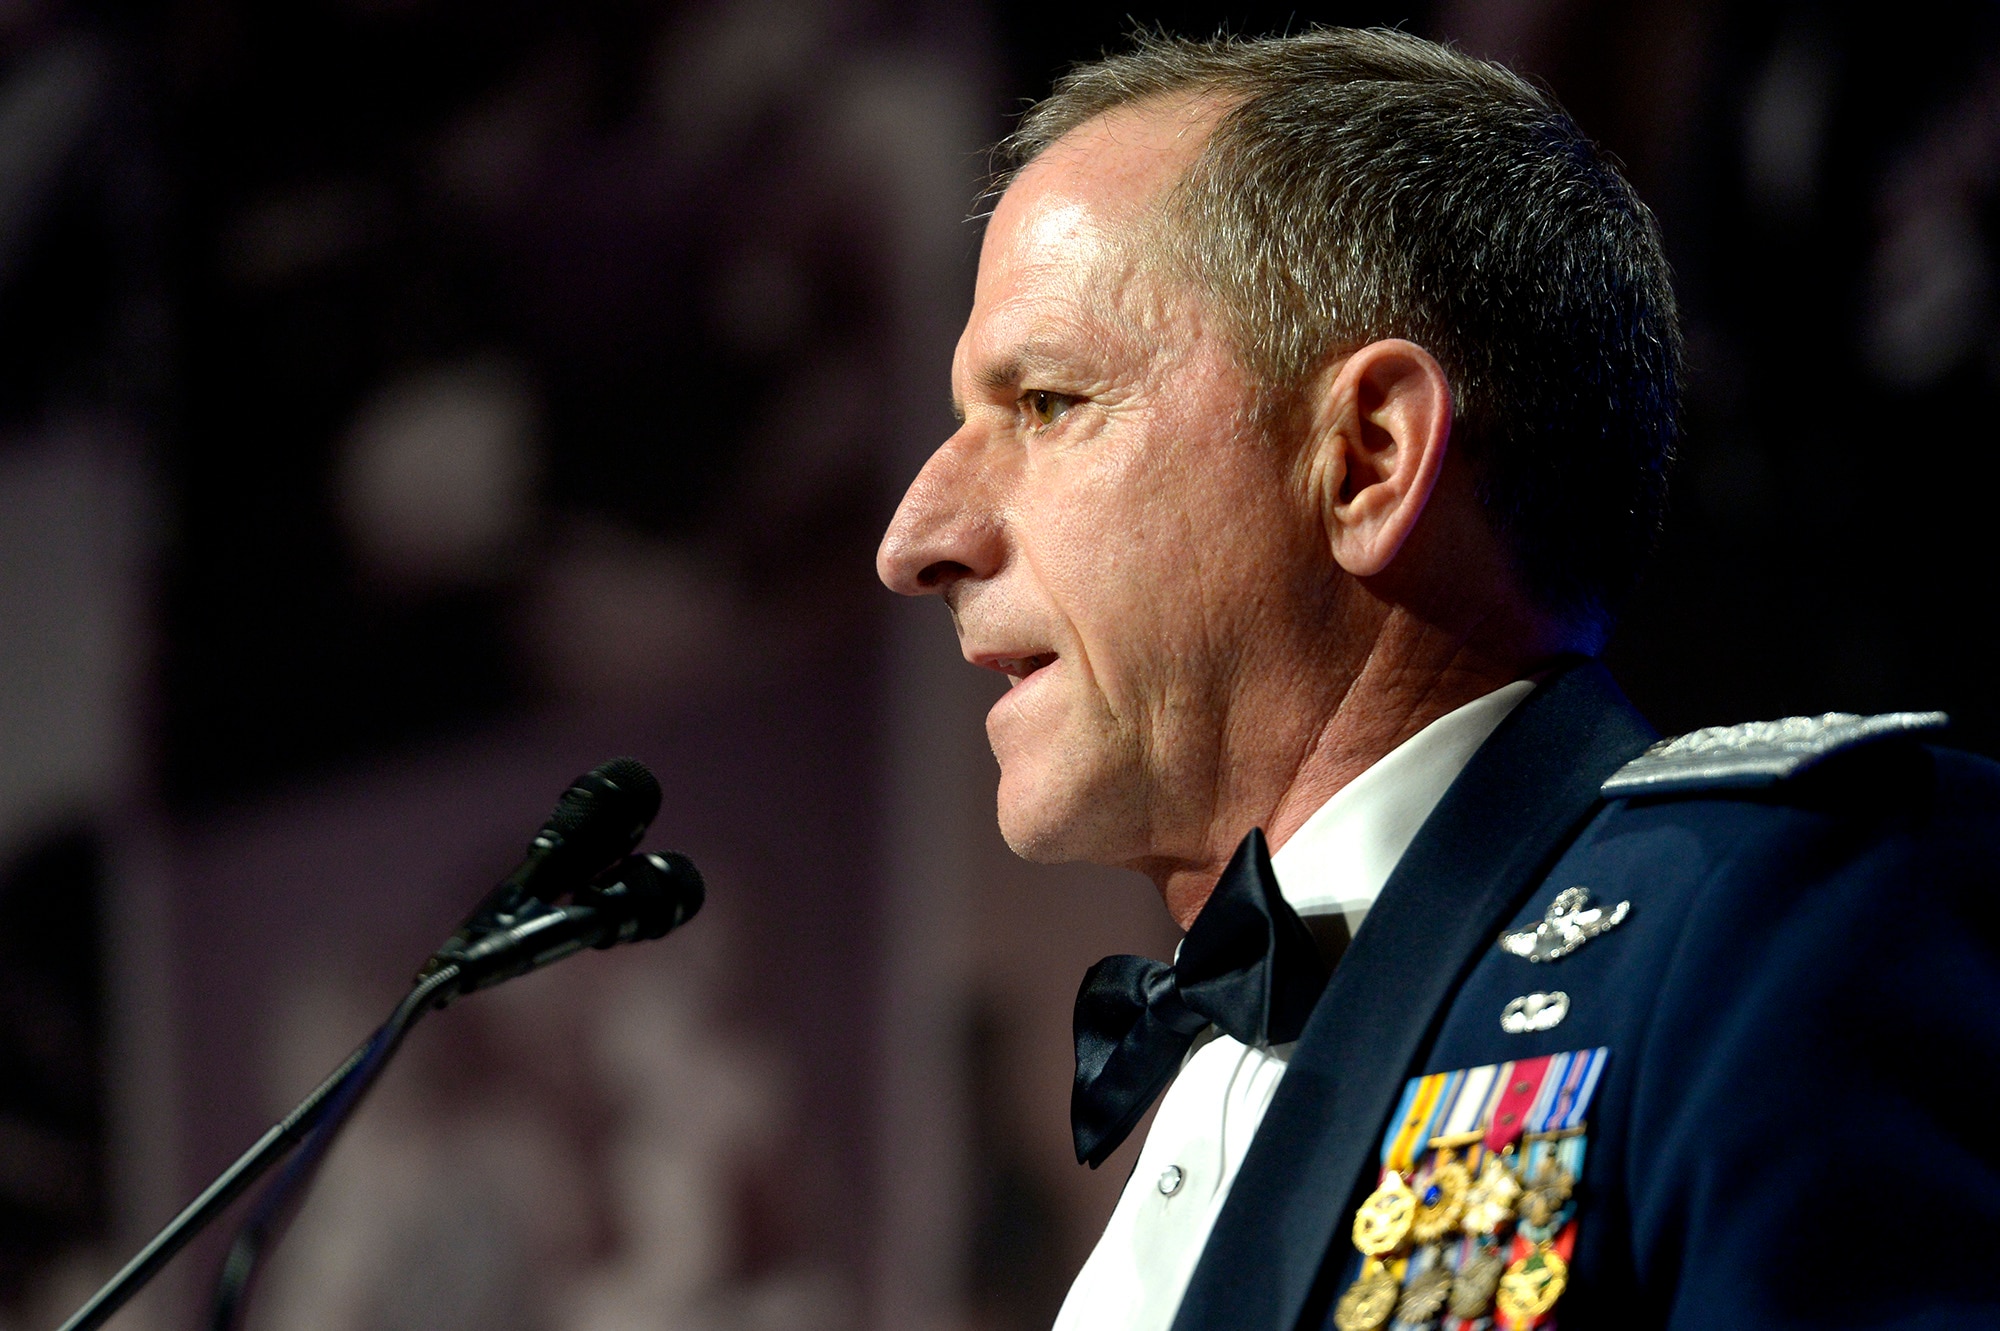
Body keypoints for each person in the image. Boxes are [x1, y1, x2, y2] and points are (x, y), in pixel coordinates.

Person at [875, 27, 2000, 1331]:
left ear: (1365, 456)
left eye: (1049, 401)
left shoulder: (1784, 925)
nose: (916, 540)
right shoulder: (1207, 1063)